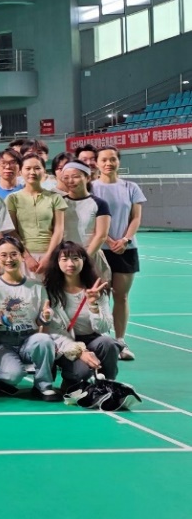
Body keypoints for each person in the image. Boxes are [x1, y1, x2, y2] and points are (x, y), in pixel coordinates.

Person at [0, 235, 59, 400]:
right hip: (2, 342)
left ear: (22, 256)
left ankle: (43, 386)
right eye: (3, 255)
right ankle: (4, 378)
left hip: (29, 339)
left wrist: (45, 316)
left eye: (14, 254)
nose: (9, 259)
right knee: (12, 376)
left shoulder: (36, 286)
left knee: (44, 340)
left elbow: (39, 321)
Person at [92, 146, 145, 361]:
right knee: (98, 296)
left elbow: (136, 218)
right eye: (104, 159)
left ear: (118, 162)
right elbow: (90, 217)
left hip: (126, 249)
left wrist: (125, 240)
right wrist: (108, 240)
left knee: (121, 296)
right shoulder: (91, 187)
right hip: (99, 250)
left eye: (112, 159)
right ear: (97, 163)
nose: (108, 163)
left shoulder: (131, 187)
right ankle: (100, 341)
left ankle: (121, 341)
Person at [43, 241, 118, 392]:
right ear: (57, 262)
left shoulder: (96, 289)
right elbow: (55, 332)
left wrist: (93, 305)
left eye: (75, 258)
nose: (70, 264)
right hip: (65, 342)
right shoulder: (50, 292)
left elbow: (104, 327)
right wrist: (80, 352)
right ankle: (71, 380)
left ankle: (107, 384)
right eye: (64, 259)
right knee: (82, 372)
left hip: (93, 339)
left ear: (84, 260)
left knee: (108, 343)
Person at [6, 153, 66, 277]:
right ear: (20, 172)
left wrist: (49, 256)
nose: (32, 172)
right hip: (23, 255)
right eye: (28, 168)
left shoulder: (55, 197)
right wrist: (26, 257)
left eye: (37, 168)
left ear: (44, 171)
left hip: (51, 254)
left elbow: (59, 230)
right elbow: (12, 231)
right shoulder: (12, 199)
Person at [61, 161, 111, 283]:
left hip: (92, 257)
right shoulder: (59, 202)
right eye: (66, 177)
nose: (70, 181)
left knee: (95, 292)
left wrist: (84, 259)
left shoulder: (99, 203)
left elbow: (101, 235)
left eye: (75, 176)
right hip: (65, 259)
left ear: (88, 178)